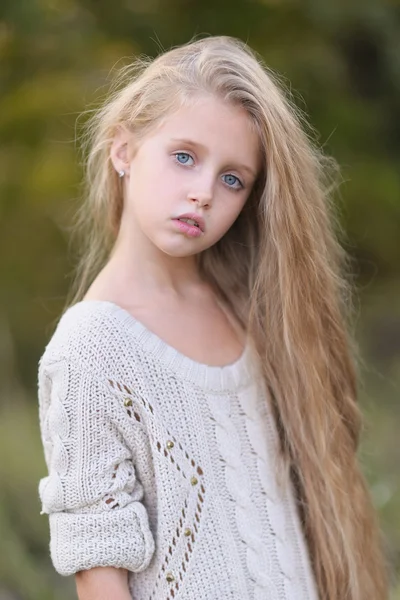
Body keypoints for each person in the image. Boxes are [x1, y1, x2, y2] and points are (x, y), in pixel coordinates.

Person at [37, 36, 388, 600]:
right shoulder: (91, 349)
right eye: (184, 157)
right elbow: (100, 576)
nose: (203, 193)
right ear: (123, 150)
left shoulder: (249, 313)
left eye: (232, 179)